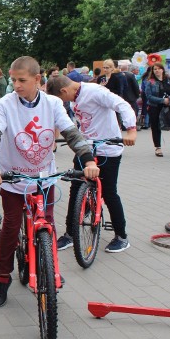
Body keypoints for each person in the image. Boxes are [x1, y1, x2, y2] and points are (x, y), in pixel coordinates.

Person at [0, 56, 99, 308]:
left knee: (48, 224)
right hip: (14, 179)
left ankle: (50, 267)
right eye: (13, 80)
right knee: (10, 229)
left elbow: (71, 133)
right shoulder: (4, 105)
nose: (16, 85)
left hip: (44, 178)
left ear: (37, 79)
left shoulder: (53, 103)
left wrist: (88, 161)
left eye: (21, 80)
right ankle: (3, 278)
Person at [46, 75, 136, 253]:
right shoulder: (74, 97)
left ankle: (121, 236)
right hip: (86, 148)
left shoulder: (95, 92)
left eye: (61, 99)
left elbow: (123, 105)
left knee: (109, 192)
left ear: (64, 91)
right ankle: (70, 234)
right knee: (76, 189)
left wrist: (131, 130)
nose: (64, 102)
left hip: (108, 149)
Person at [144, 63, 170, 157]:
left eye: (158, 69)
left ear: (163, 70)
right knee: (156, 126)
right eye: (155, 69)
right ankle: (158, 148)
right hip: (155, 107)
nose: (157, 71)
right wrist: (162, 100)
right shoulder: (150, 82)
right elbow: (149, 96)